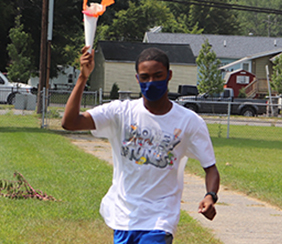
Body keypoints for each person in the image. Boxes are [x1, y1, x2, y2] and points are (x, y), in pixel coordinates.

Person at [62, 46, 220, 244]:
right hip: (124, 217)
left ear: (169, 75)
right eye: (145, 77)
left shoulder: (189, 122)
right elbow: (70, 122)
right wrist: (83, 77)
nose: (151, 82)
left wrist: (210, 196)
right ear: (137, 78)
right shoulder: (120, 112)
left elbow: (210, 168)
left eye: (157, 75)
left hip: (160, 218)